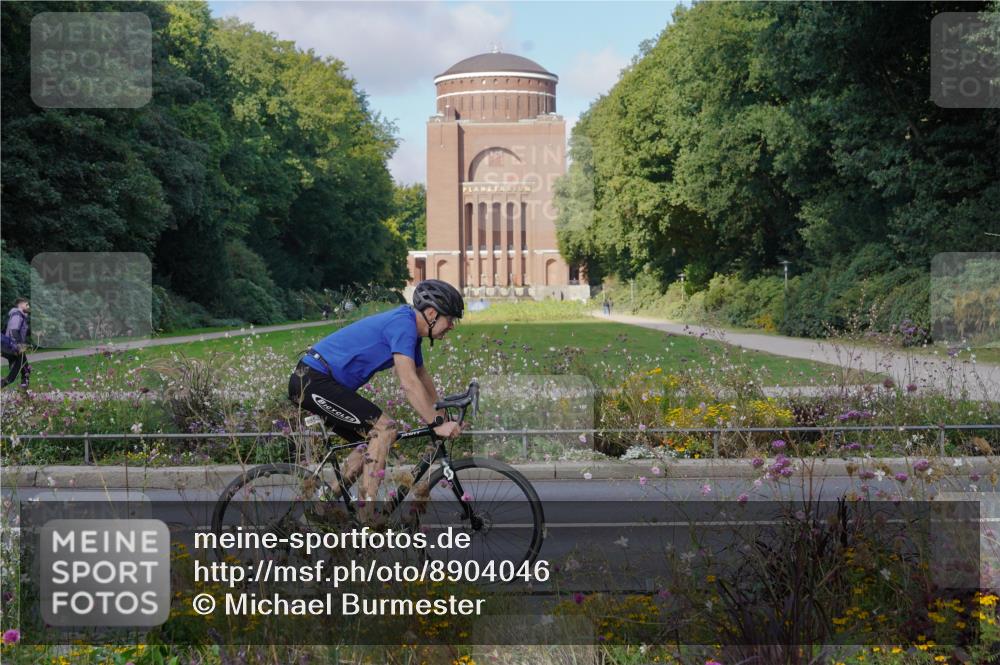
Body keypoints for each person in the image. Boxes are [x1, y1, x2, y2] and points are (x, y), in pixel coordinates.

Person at [289, 280, 465, 519]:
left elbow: (422, 376)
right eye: (450, 319)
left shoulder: (410, 331)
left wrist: (443, 416)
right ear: (432, 313)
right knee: (384, 429)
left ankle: (315, 514)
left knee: (369, 447)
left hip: (324, 382)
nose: (452, 326)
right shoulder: (403, 325)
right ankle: (367, 519)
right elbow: (409, 382)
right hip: (312, 380)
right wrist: (437, 424)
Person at [2, 298, 31, 389]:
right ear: (21, 305)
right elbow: (14, 330)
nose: (28, 307)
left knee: (26, 370)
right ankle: (4, 383)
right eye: (27, 305)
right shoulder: (17, 315)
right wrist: (19, 345)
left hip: (11, 345)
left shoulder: (19, 316)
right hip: (12, 346)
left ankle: (24, 393)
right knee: (23, 369)